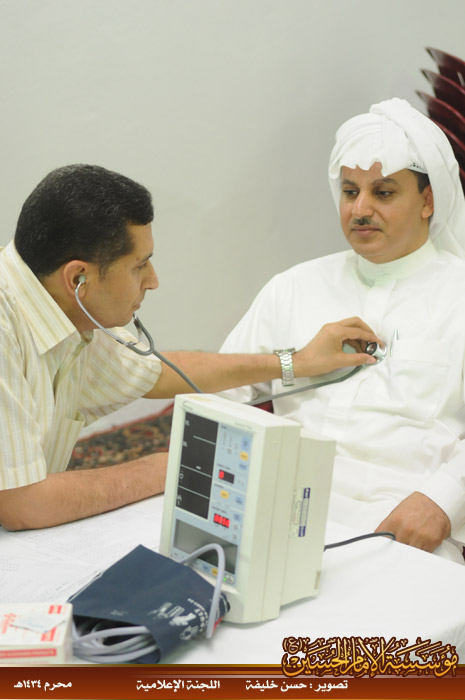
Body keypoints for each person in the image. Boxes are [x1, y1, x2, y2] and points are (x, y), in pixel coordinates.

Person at [0, 164, 380, 532]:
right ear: (78, 278)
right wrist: (165, 467)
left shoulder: (62, 308)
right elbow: (23, 503)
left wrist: (295, 362)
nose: (153, 281)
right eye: (140, 265)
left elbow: (158, 373)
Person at [220, 98, 465, 564]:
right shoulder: (294, 287)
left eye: (383, 193)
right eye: (350, 191)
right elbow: (217, 395)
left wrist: (443, 501)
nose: (360, 209)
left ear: (428, 201)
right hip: (277, 512)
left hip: (406, 526)